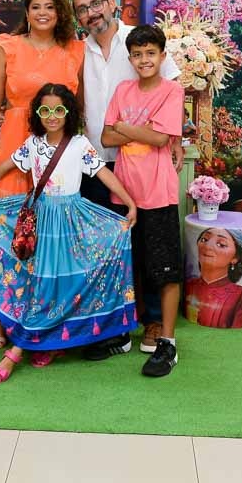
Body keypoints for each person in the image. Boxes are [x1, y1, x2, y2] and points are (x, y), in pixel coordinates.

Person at [0, 83, 138, 383]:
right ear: (37, 113)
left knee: (61, 284)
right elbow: (8, 164)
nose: (52, 116)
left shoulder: (79, 144)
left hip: (70, 222)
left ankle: (28, 349)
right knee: (41, 284)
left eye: (59, 110)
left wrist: (129, 202)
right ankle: (31, 346)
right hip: (40, 221)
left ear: (68, 113)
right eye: (45, 110)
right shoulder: (33, 144)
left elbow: (103, 172)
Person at [0, 0, 85, 349]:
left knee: (49, 230)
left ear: (60, 12)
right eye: (36, 7)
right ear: (27, 12)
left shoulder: (75, 50)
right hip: (14, 144)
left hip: (57, 149)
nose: (43, 13)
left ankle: (41, 312)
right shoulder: (8, 47)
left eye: (50, 7)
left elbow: (80, 107)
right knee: (5, 228)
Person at [72, 0, 181, 359]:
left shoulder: (137, 41)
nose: (92, 13)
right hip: (95, 163)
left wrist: (172, 138)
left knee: (151, 244)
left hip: (143, 166)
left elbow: (171, 86)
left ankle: (154, 320)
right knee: (110, 250)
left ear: (112, 2)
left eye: (96, 4)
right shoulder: (77, 50)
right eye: (83, 9)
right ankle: (115, 324)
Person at [101, 24, 185, 378]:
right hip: (124, 193)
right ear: (130, 59)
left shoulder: (172, 91)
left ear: (163, 56)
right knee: (127, 266)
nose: (144, 60)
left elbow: (161, 139)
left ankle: (167, 342)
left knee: (165, 269)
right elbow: (106, 137)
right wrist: (142, 132)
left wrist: (125, 127)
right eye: (137, 54)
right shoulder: (123, 89)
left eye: (151, 53)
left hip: (158, 194)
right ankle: (123, 333)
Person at [183, 228, 242, 329]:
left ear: (235, 258)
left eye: (221, 244)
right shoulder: (189, 285)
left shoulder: (239, 296)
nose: (207, 246)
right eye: (204, 239)